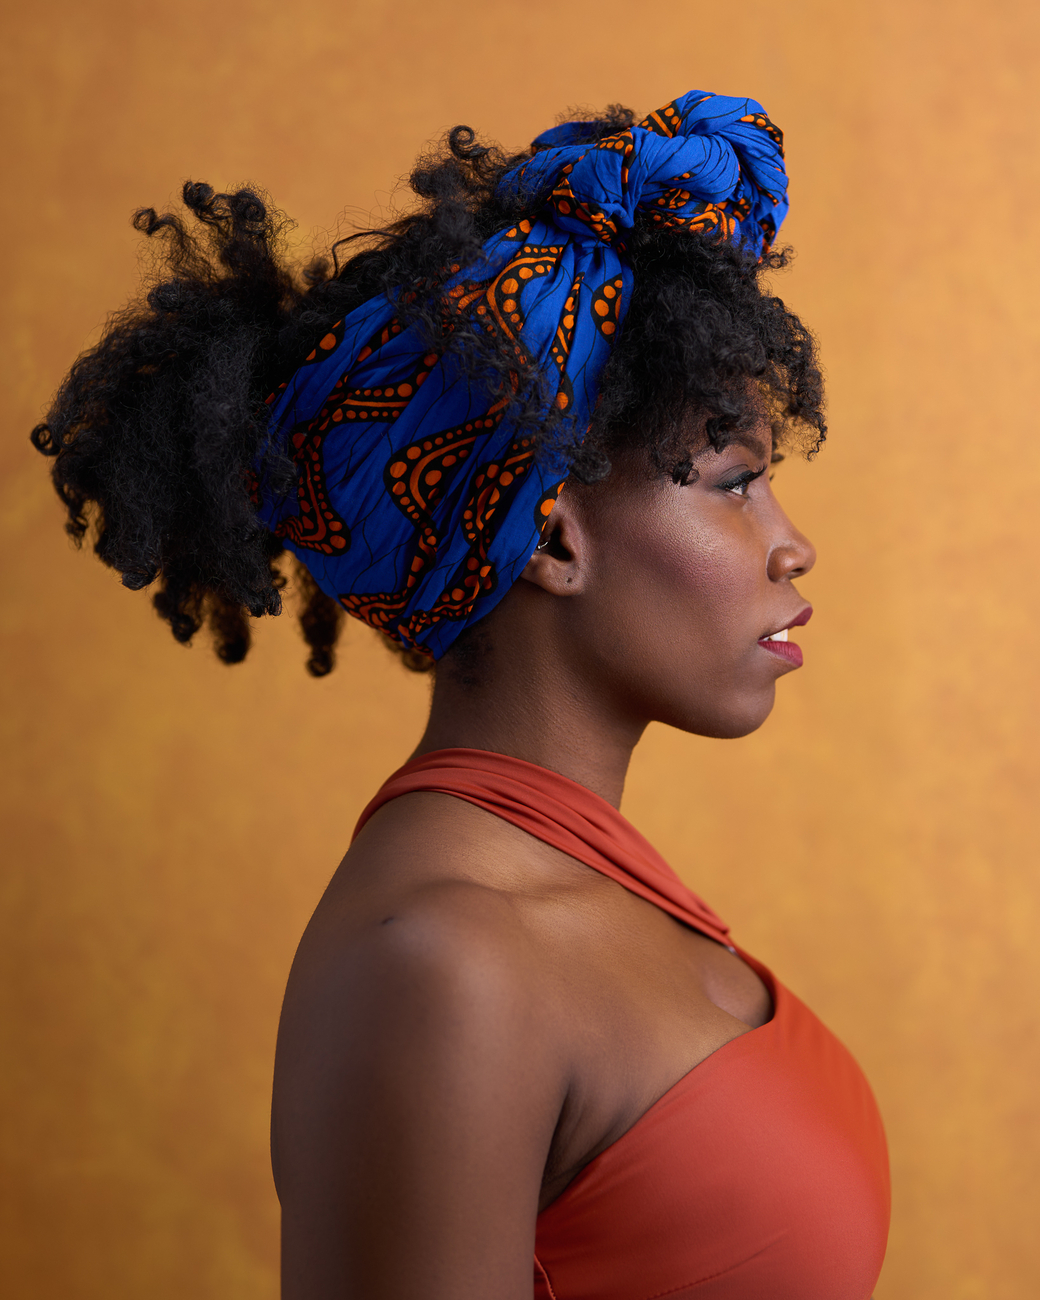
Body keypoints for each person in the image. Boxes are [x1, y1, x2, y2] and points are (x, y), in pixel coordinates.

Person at [32, 90, 889, 1299]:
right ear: (552, 538)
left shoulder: (578, 895)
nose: (790, 545)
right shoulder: (446, 965)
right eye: (731, 481)